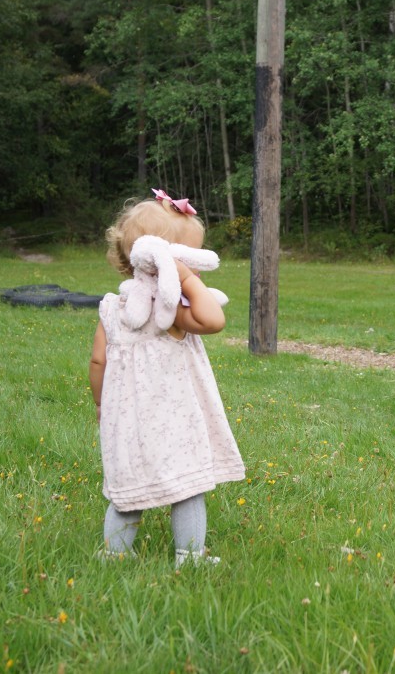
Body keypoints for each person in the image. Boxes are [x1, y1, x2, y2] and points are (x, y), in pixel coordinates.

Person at [89, 189, 244, 567]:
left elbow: (98, 362)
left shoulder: (113, 308)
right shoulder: (169, 310)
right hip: (175, 420)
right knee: (188, 488)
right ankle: (189, 558)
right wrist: (187, 280)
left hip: (127, 419)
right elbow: (214, 320)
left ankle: (114, 555)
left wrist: (100, 404)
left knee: (128, 490)